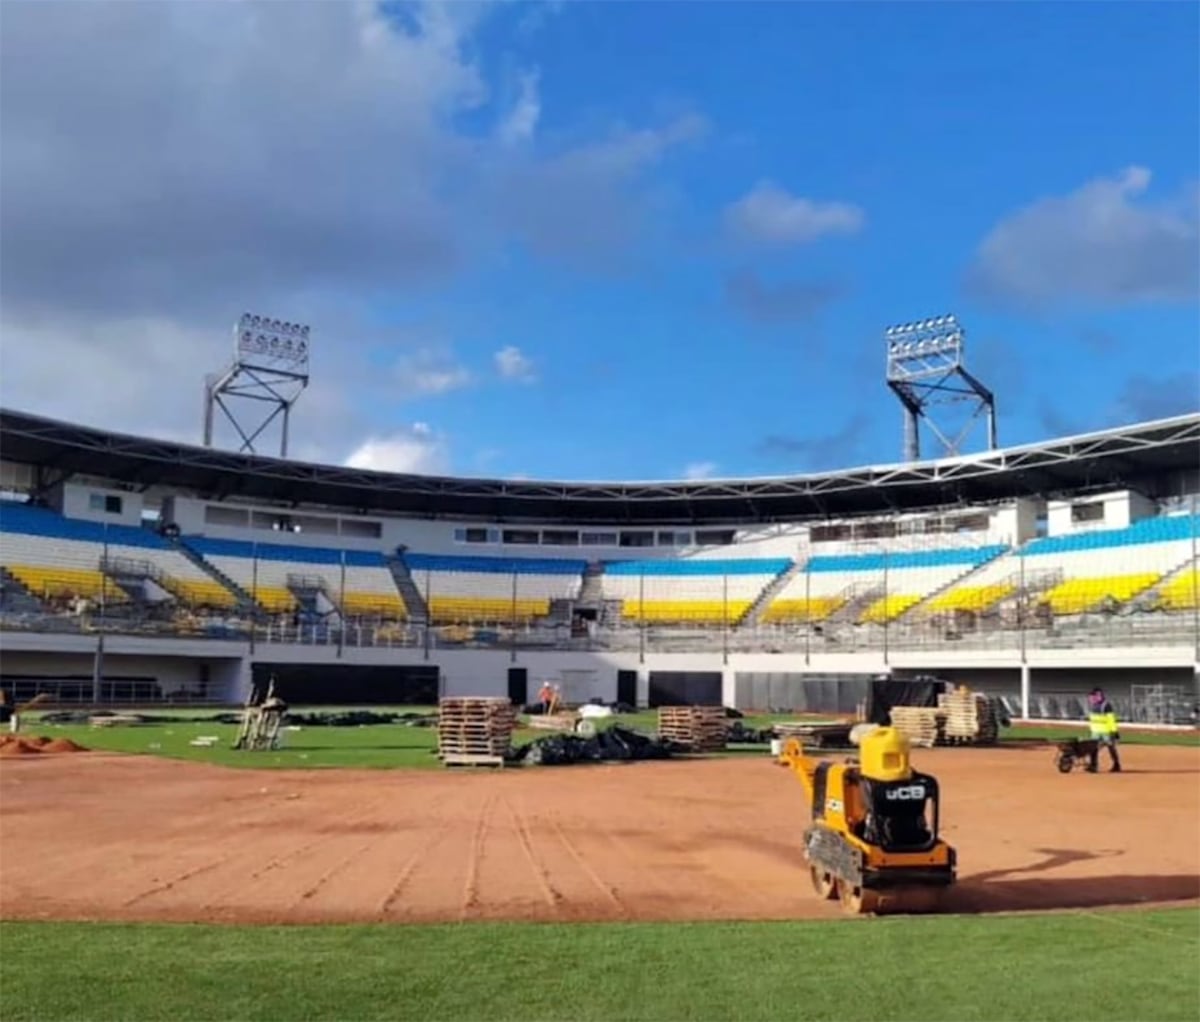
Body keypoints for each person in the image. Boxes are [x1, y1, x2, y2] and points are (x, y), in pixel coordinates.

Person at [1086, 687, 1121, 773]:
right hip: (1095, 732)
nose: (1091, 698)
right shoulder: (1092, 705)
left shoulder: (1106, 705)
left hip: (1106, 732)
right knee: (1093, 748)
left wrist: (1114, 731)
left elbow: (1111, 719)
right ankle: (1093, 766)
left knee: (1111, 747)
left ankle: (1116, 764)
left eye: (1093, 696)